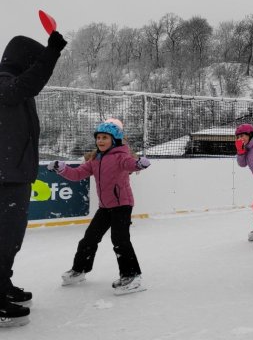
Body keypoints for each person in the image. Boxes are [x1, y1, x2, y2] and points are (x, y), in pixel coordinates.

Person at [0, 30, 67, 327]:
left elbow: (27, 87)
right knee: (3, 240)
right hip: (5, 177)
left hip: (14, 174)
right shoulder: (4, 83)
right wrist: (51, 54)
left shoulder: (14, 87)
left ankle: (3, 284)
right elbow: (26, 85)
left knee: (11, 239)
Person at [50, 119, 152, 295]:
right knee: (89, 239)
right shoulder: (96, 159)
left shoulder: (121, 156)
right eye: (98, 138)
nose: (100, 141)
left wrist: (139, 164)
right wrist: (62, 169)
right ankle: (79, 270)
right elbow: (77, 174)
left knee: (120, 240)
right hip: (105, 207)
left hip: (122, 204)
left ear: (115, 140)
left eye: (105, 137)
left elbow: (130, 164)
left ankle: (132, 276)